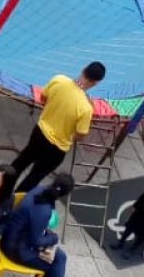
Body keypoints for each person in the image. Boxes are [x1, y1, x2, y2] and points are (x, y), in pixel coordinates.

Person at [11, 62, 106, 195]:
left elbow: (43, 98)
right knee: (34, 177)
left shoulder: (59, 80)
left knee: (21, 161)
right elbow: (80, 135)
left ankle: (0, 186)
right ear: (96, 83)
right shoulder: (86, 108)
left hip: (40, 133)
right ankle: (15, 200)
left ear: (84, 69)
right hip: (57, 149)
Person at [1, 174, 76, 277]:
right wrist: (53, 238)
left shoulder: (39, 189)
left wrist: (46, 237)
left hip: (13, 237)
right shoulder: (44, 210)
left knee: (60, 256)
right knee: (52, 268)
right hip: (15, 249)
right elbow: (36, 241)